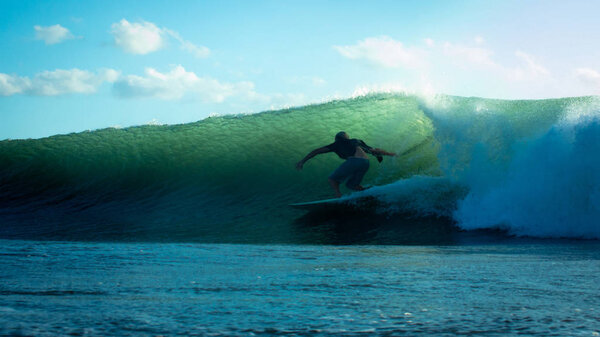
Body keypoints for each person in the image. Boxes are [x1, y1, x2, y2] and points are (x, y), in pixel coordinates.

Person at [295, 131, 396, 197]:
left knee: (332, 179)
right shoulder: (356, 141)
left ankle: (338, 195)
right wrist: (391, 154)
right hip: (365, 162)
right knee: (351, 185)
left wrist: (302, 161)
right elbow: (374, 150)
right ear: (347, 137)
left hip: (354, 161)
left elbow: (317, 151)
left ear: (336, 138)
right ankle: (371, 193)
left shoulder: (336, 144)